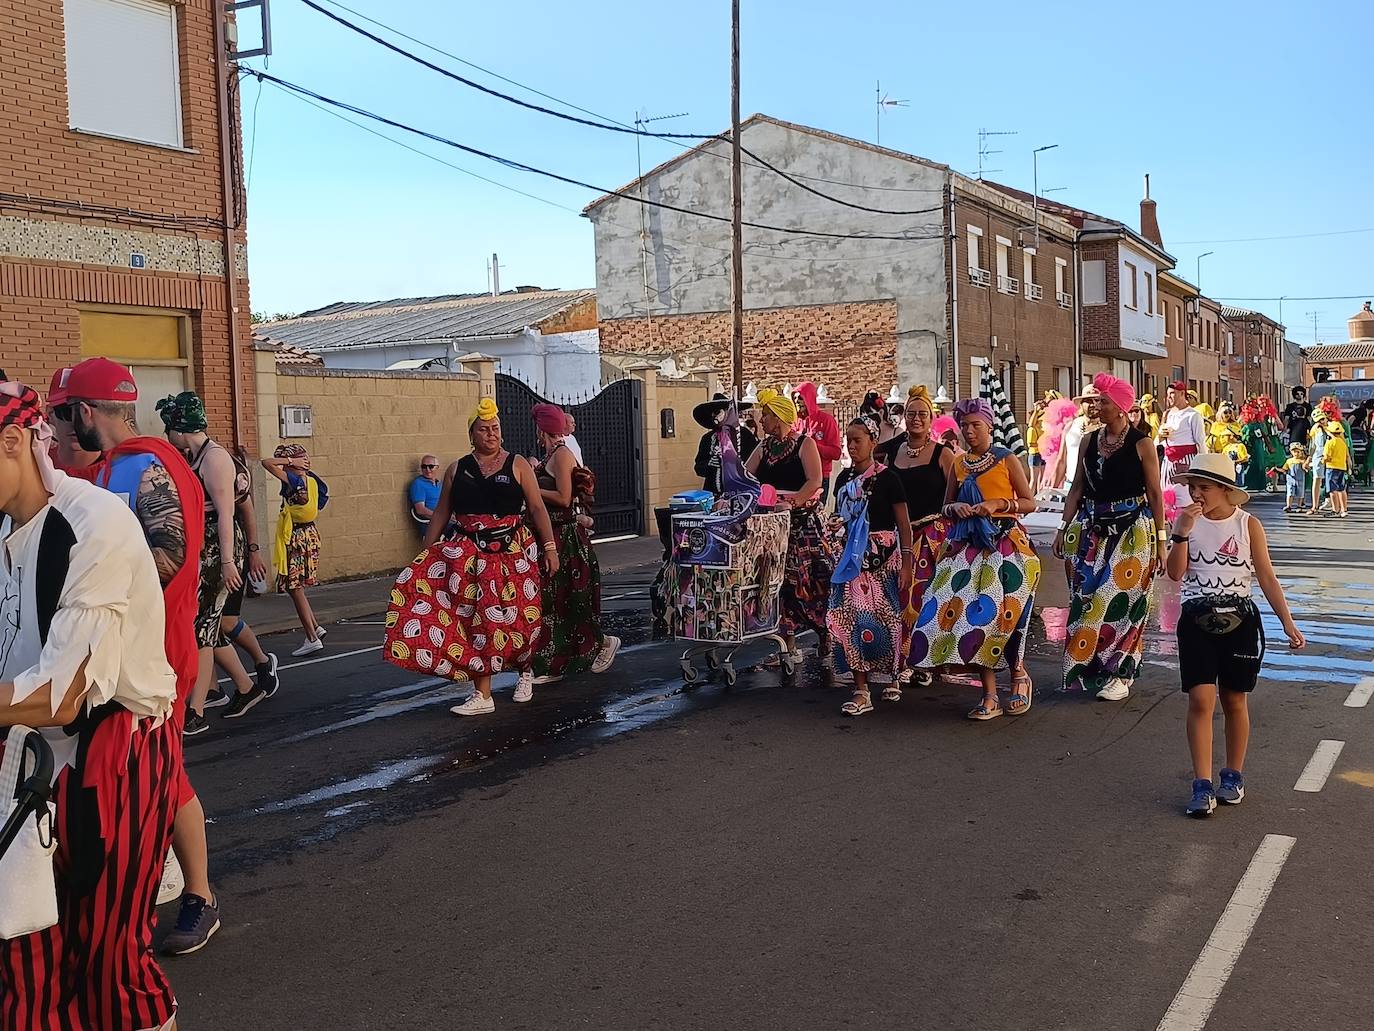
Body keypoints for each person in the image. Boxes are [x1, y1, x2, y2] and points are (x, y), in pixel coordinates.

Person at [0, 380, 182, 1030]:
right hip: (21, 761)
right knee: (25, 968)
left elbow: (65, 691)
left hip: (115, 754)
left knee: (112, 966)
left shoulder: (91, 523)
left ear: (16, 442)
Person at [58, 357, 220, 956]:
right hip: (133, 644)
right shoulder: (121, 467)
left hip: (153, 648)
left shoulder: (144, 467)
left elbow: (169, 552)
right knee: (152, 772)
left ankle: (198, 895)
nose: (62, 428)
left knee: (166, 774)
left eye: (66, 414)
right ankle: (168, 881)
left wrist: (93, 598)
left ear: (87, 412)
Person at [383, 398, 558, 715]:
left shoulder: (517, 464)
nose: (491, 434)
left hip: (511, 554)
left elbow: (536, 508)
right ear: (471, 435)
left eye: (495, 429)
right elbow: (441, 512)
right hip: (469, 557)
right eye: (484, 429)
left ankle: (526, 672)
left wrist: (549, 548)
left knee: (518, 616)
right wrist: (427, 552)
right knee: (474, 621)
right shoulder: (457, 469)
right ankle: (483, 694)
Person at [1166, 453, 1305, 817]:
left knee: (1235, 700)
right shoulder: (1187, 523)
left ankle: (1233, 775)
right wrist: (1180, 532)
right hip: (1196, 621)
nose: (1196, 494)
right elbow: (1175, 574)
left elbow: (1267, 577)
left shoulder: (1248, 525)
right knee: (1200, 699)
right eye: (1192, 487)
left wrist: (1287, 622)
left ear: (1226, 490)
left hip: (1239, 623)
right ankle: (1201, 783)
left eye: (1204, 488)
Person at [908, 398, 1041, 720]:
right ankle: (990, 693)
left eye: (975, 425)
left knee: (1007, 617)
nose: (969, 431)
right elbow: (946, 505)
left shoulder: (1006, 459)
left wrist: (997, 504)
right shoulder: (959, 463)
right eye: (964, 425)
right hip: (968, 547)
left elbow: (1029, 503)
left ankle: (1020, 676)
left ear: (989, 426)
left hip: (1006, 545)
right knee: (975, 619)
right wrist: (954, 509)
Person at [1054, 373, 1167, 701]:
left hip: (1133, 531)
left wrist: (1161, 541)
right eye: (1095, 400)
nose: (1096, 406)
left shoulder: (1142, 444)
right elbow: (1077, 487)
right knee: (1087, 600)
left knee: (1123, 601)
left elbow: (1155, 494)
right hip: (1092, 529)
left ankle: (1120, 672)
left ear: (1120, 407)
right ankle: (1094, 668)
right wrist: (1063, 527)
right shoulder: (1089, 440)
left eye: (1103, 400)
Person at [157, 392, 266, 732]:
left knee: (204, 627)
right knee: (207, 624)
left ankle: (197, 710)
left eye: (168, 428)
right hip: (203, 547)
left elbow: (226, 513)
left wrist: (231, 561)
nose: (166, 436)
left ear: (180, 427)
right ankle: (247, 687)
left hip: (218, 549)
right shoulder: (196, 456)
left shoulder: (215, 459)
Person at [528, 403, 620, 692]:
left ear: (541, 428)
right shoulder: (550, 455)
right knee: (553, 602)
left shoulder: (563, 454)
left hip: (567, 538)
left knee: (569, 600)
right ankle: (554, 663)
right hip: (551, 535)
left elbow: (564, 498)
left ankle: (603, 642)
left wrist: (530, 485)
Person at [827, 417, 913, 715]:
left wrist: (907, 563)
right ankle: (860, 688)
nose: (851, 446)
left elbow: (903, 524)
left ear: (872, 442)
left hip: (884, 559)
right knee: (847, 617)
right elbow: (839, 517)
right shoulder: (842, 480)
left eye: (857, 440)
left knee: (887, 617)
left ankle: (892, 675)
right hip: (851, 558)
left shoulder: (888, 479)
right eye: (848, 440)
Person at [746, 388, 832, 665]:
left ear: (780, 417)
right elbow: (747, 478)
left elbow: (814, 481)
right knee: (778, 584)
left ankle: (824, 634)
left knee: (810, 583)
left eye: (766, 416)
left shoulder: (805, 444)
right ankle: (788, 644)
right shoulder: (763, 447)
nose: (761, 421)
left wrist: (792, 502)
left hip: (802, 525)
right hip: (772, 525)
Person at [876, 385, 954, 690]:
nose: (916, 419)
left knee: (919, 598)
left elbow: (955, 491)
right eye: (911, 414)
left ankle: (918, 659)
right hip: (896, 534)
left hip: (933, 535)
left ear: (932, 418)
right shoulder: (893, 450)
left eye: (922, 414)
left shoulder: (941, 453)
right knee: (894, 596)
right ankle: (904, 658)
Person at [263, 443, 327, 656]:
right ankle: (315, 625)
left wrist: (289, 462)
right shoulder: (312, 481)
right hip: (310, 534)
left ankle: (311, 636)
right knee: (296, 586)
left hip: (297, 537)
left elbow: (266, 464)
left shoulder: (295, 480)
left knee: (294, 587)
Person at [694, 393, 757, 492]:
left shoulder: (744, 435)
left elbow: (754, 462)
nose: (714, 416)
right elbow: (698, 468)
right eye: (713, 413)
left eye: (718, 412)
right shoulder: (708, 439)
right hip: (712, 492)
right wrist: (710, 464)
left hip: (740, 492)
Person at [793, 381, 842, 506]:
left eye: (800, 398)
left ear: (809, 398)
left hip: (820, 477)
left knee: (815, 514)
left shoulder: (826, 421)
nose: (797, 401)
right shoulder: (795, 422)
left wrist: (811, 446)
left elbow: (836, 453)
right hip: (798, 474)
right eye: (795, 398)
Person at [1160, 381, 1208, 491]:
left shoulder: (1193, 415)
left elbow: (1200, 441)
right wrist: (1161, 436)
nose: (1169, 397)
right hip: (1168, 459)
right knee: (1166, 492)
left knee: (1185, 493)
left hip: (1186, 459)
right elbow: (1160, 439)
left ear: (1182, 393)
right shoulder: (1167, 414)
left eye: (1172, 393)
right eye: (1168, 394)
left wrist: (1203, 465)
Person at [1323, 421, 1351, 517]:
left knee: (1332, 490)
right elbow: (1347, 456)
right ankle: (1344, 509)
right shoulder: (1343, 443)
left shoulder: (1330, 443)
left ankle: (1335, 510)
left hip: (1331, 467)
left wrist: (1322, 461)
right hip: (1342, 467)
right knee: (1341, 488)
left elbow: (1327, 457)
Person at [409, 453, 443, 531]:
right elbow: (420, 510)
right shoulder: (418, 484)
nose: (427, 470)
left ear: (437, 468)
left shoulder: (439, 484)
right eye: (424, 467)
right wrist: (441, 517)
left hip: (444, 520)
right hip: (432, 523)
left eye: (431, 466)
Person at [1282, 443, 1310, 513]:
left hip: (1300, 479)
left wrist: (1307, 464)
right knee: (1290, 492)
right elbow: (1284, 469)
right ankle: (1289, 505)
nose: (1296, 454)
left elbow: (1306, 468)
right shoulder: (1289, 461)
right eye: (1294, 452)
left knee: (1300, 493)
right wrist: (1277, 470)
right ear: (1291, 452)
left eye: (1298, 452)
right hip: (1290, 479)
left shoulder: (1302, 461)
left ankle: (1299, 505)